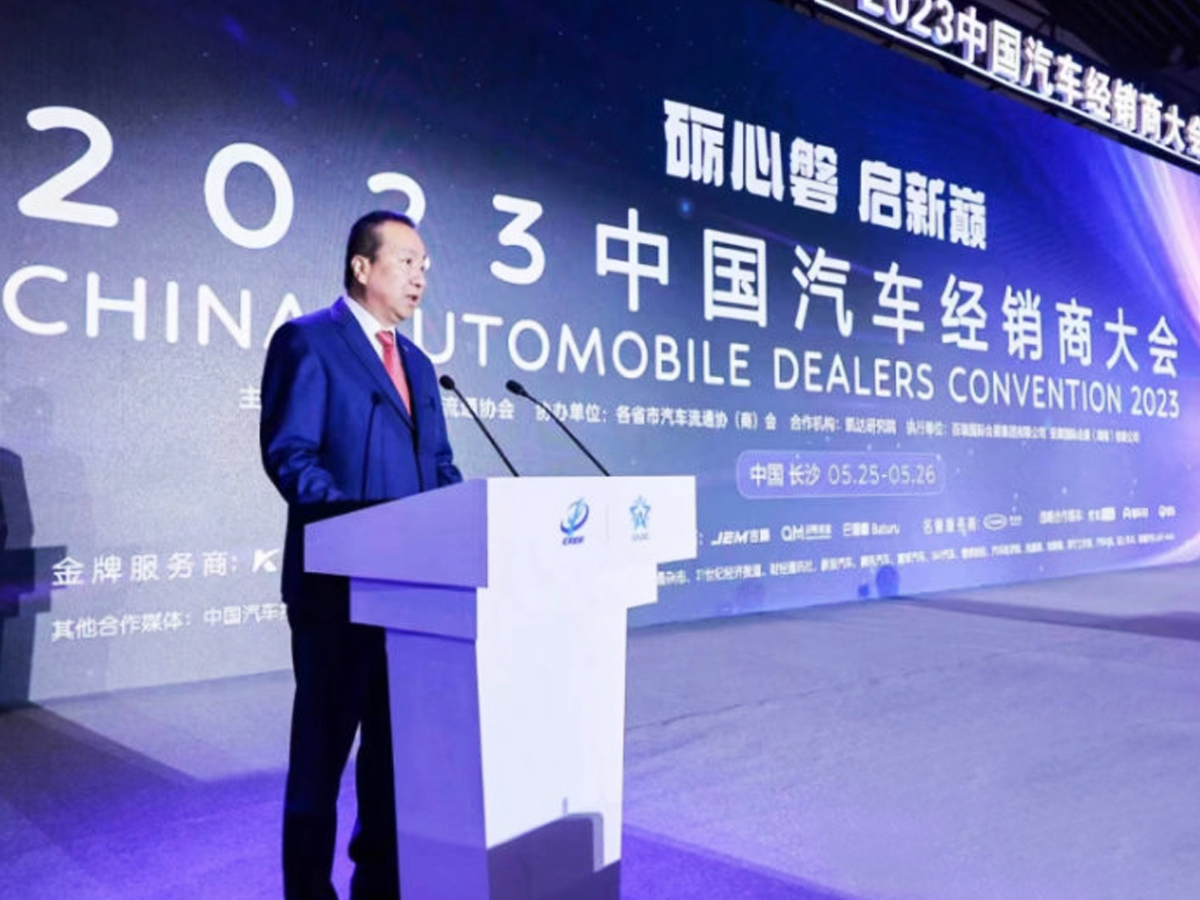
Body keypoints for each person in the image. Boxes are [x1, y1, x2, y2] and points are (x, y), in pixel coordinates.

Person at [260, 210, 462, 900]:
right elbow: (291, 456)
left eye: (424, 266)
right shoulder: (308, 341)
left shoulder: (420, 365)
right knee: (320, 761)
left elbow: (441, 467)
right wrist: (366, 525)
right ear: (362, 266)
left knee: (394, 759)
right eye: (407, 261)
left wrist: (460, 522)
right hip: (337, 591)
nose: (419, 276)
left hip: (413, 596)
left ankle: (380, 883)